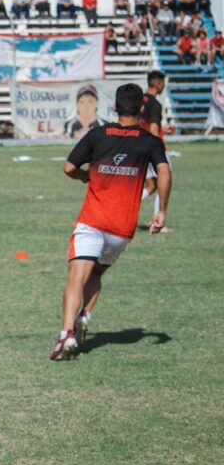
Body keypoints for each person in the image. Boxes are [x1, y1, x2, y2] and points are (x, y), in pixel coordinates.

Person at [50, 83, 170, 360]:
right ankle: (85, 315)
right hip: (122, 229)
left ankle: (66, 335)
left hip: (92, 221)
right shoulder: (149, 141)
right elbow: (163, 171)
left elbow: (69, 167)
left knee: (76, 278)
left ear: (115, 107)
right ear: (141, 108)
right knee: (95, 275)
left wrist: (83, 177)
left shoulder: (98, 134)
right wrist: (161, 210)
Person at [138, 70, 171, 233]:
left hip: (140, 146)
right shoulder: (155, 104)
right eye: (163, 82)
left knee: (151, 186)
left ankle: (125, 206)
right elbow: (153, 129)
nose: (164, 85)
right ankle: (159, 221)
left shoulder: (140, 101)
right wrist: (154, 150)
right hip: (154, 149)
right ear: (158, 83)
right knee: (164, 182)